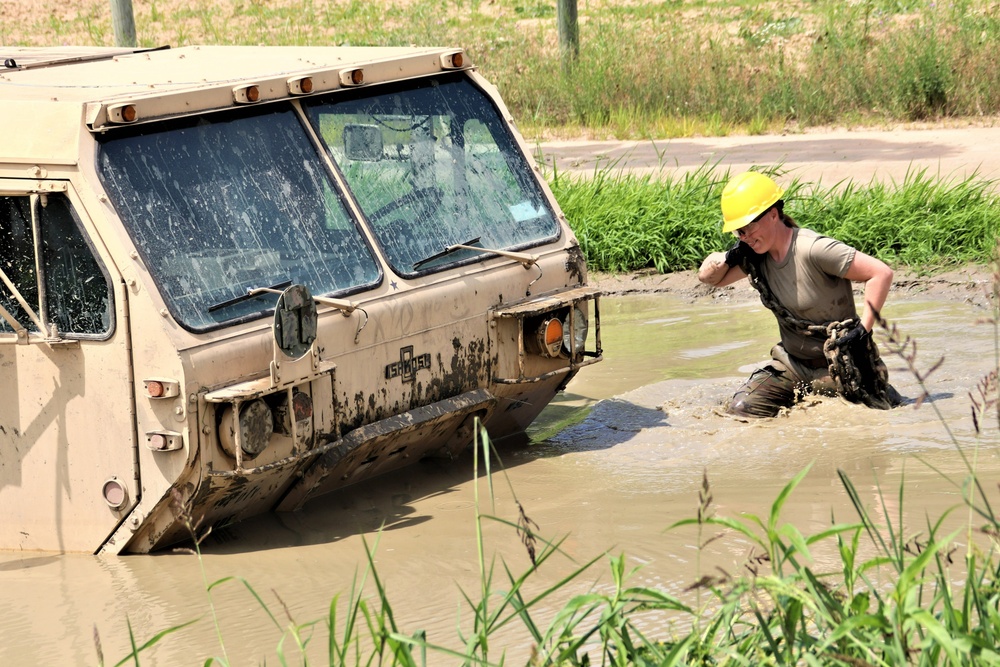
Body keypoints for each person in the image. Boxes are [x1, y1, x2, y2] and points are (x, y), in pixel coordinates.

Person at [698, 171, 902, 417]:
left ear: (773, 214)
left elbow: (880, 273)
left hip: (841, 366)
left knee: (879, 416)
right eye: (738, 232)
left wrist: (863, 331)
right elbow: (709, 279)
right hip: (792, 365)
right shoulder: (754, 255)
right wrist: (730, 255)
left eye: (749, 227)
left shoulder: (813, 249)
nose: (745, 237)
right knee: (741, 410)